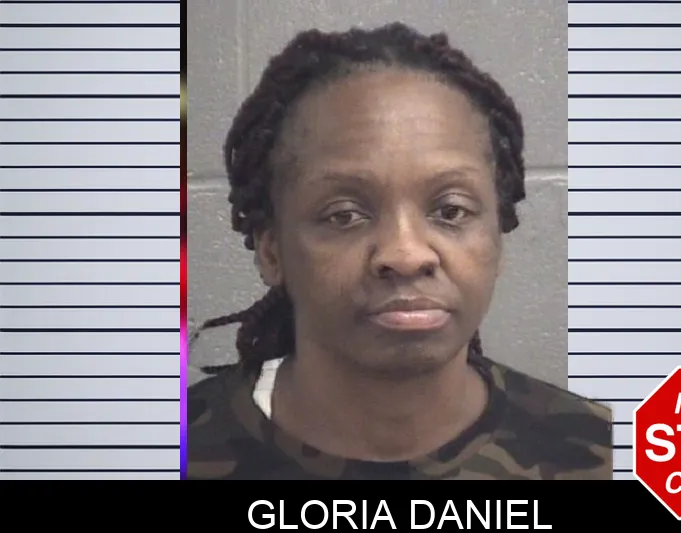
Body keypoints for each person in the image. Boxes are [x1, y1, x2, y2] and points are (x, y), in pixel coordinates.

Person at [187, 22, 612, 480]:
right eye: (344, 215)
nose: (406, 255)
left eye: (451, 211)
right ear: (272, 252)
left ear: (496, 237)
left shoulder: (606, 457)